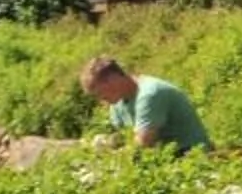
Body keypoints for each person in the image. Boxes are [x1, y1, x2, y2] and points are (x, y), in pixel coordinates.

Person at [82, 54, 211, 152]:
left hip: (191, 154)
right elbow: (123, 139)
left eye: (100, 93)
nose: (101, 99)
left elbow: (143, 145)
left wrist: (111, 153)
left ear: (113, 80)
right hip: (164, 157)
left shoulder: (150, 94)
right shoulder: (117, 104)